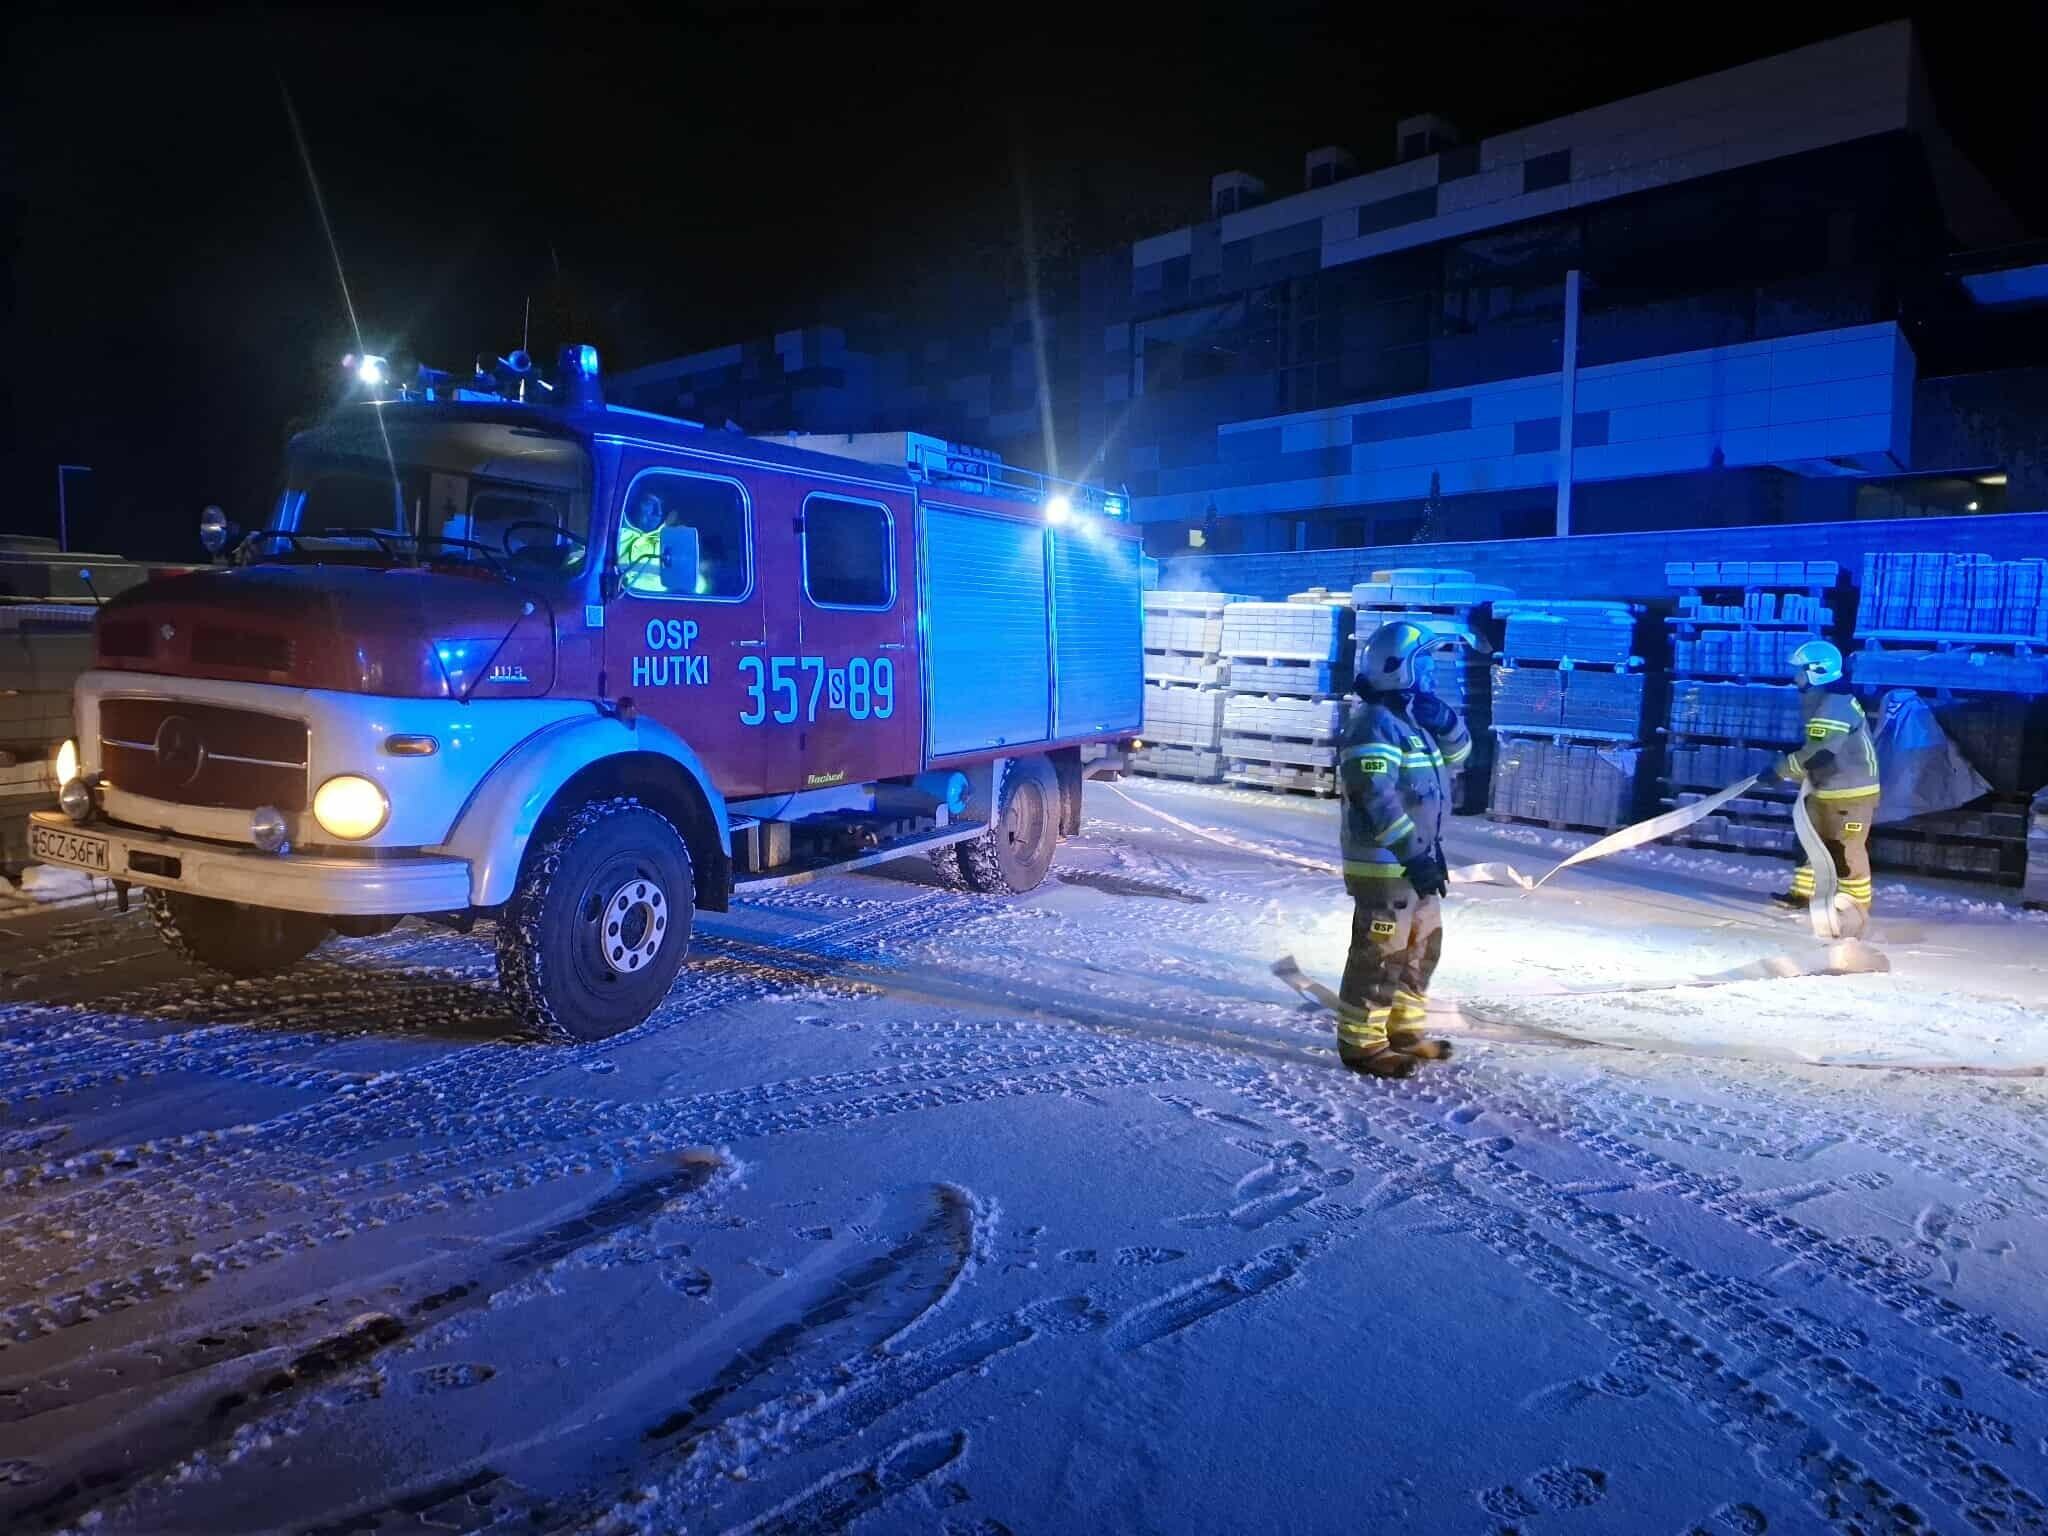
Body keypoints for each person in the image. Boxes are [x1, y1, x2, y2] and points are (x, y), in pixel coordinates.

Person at [1332, 620, 1472, 1078]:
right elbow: (1375, 795)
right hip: (1387, 865)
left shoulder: (1411, 720)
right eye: (1423, 664)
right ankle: (1364, 1048)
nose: (1431, 674)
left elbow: (1458, 757)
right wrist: (1413, 854)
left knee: (1420, 950)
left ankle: (1404, 1032)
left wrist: (1444, 721)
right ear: (1396, 668)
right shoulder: (1373, 724)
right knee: (1381, 956)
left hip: (1418, 862)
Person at [1763, 639, 1879, 914]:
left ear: (1817, 671)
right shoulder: (1825, 701)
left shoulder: (1834, 705)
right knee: (1810, 843)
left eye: (1800, 671)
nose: (1795, 678)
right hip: (1827, 789)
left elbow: (1822, 752)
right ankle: (1802, 894)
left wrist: (1781, 770)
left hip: (1851, 795)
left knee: (1846, 852)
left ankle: (1855, 905)